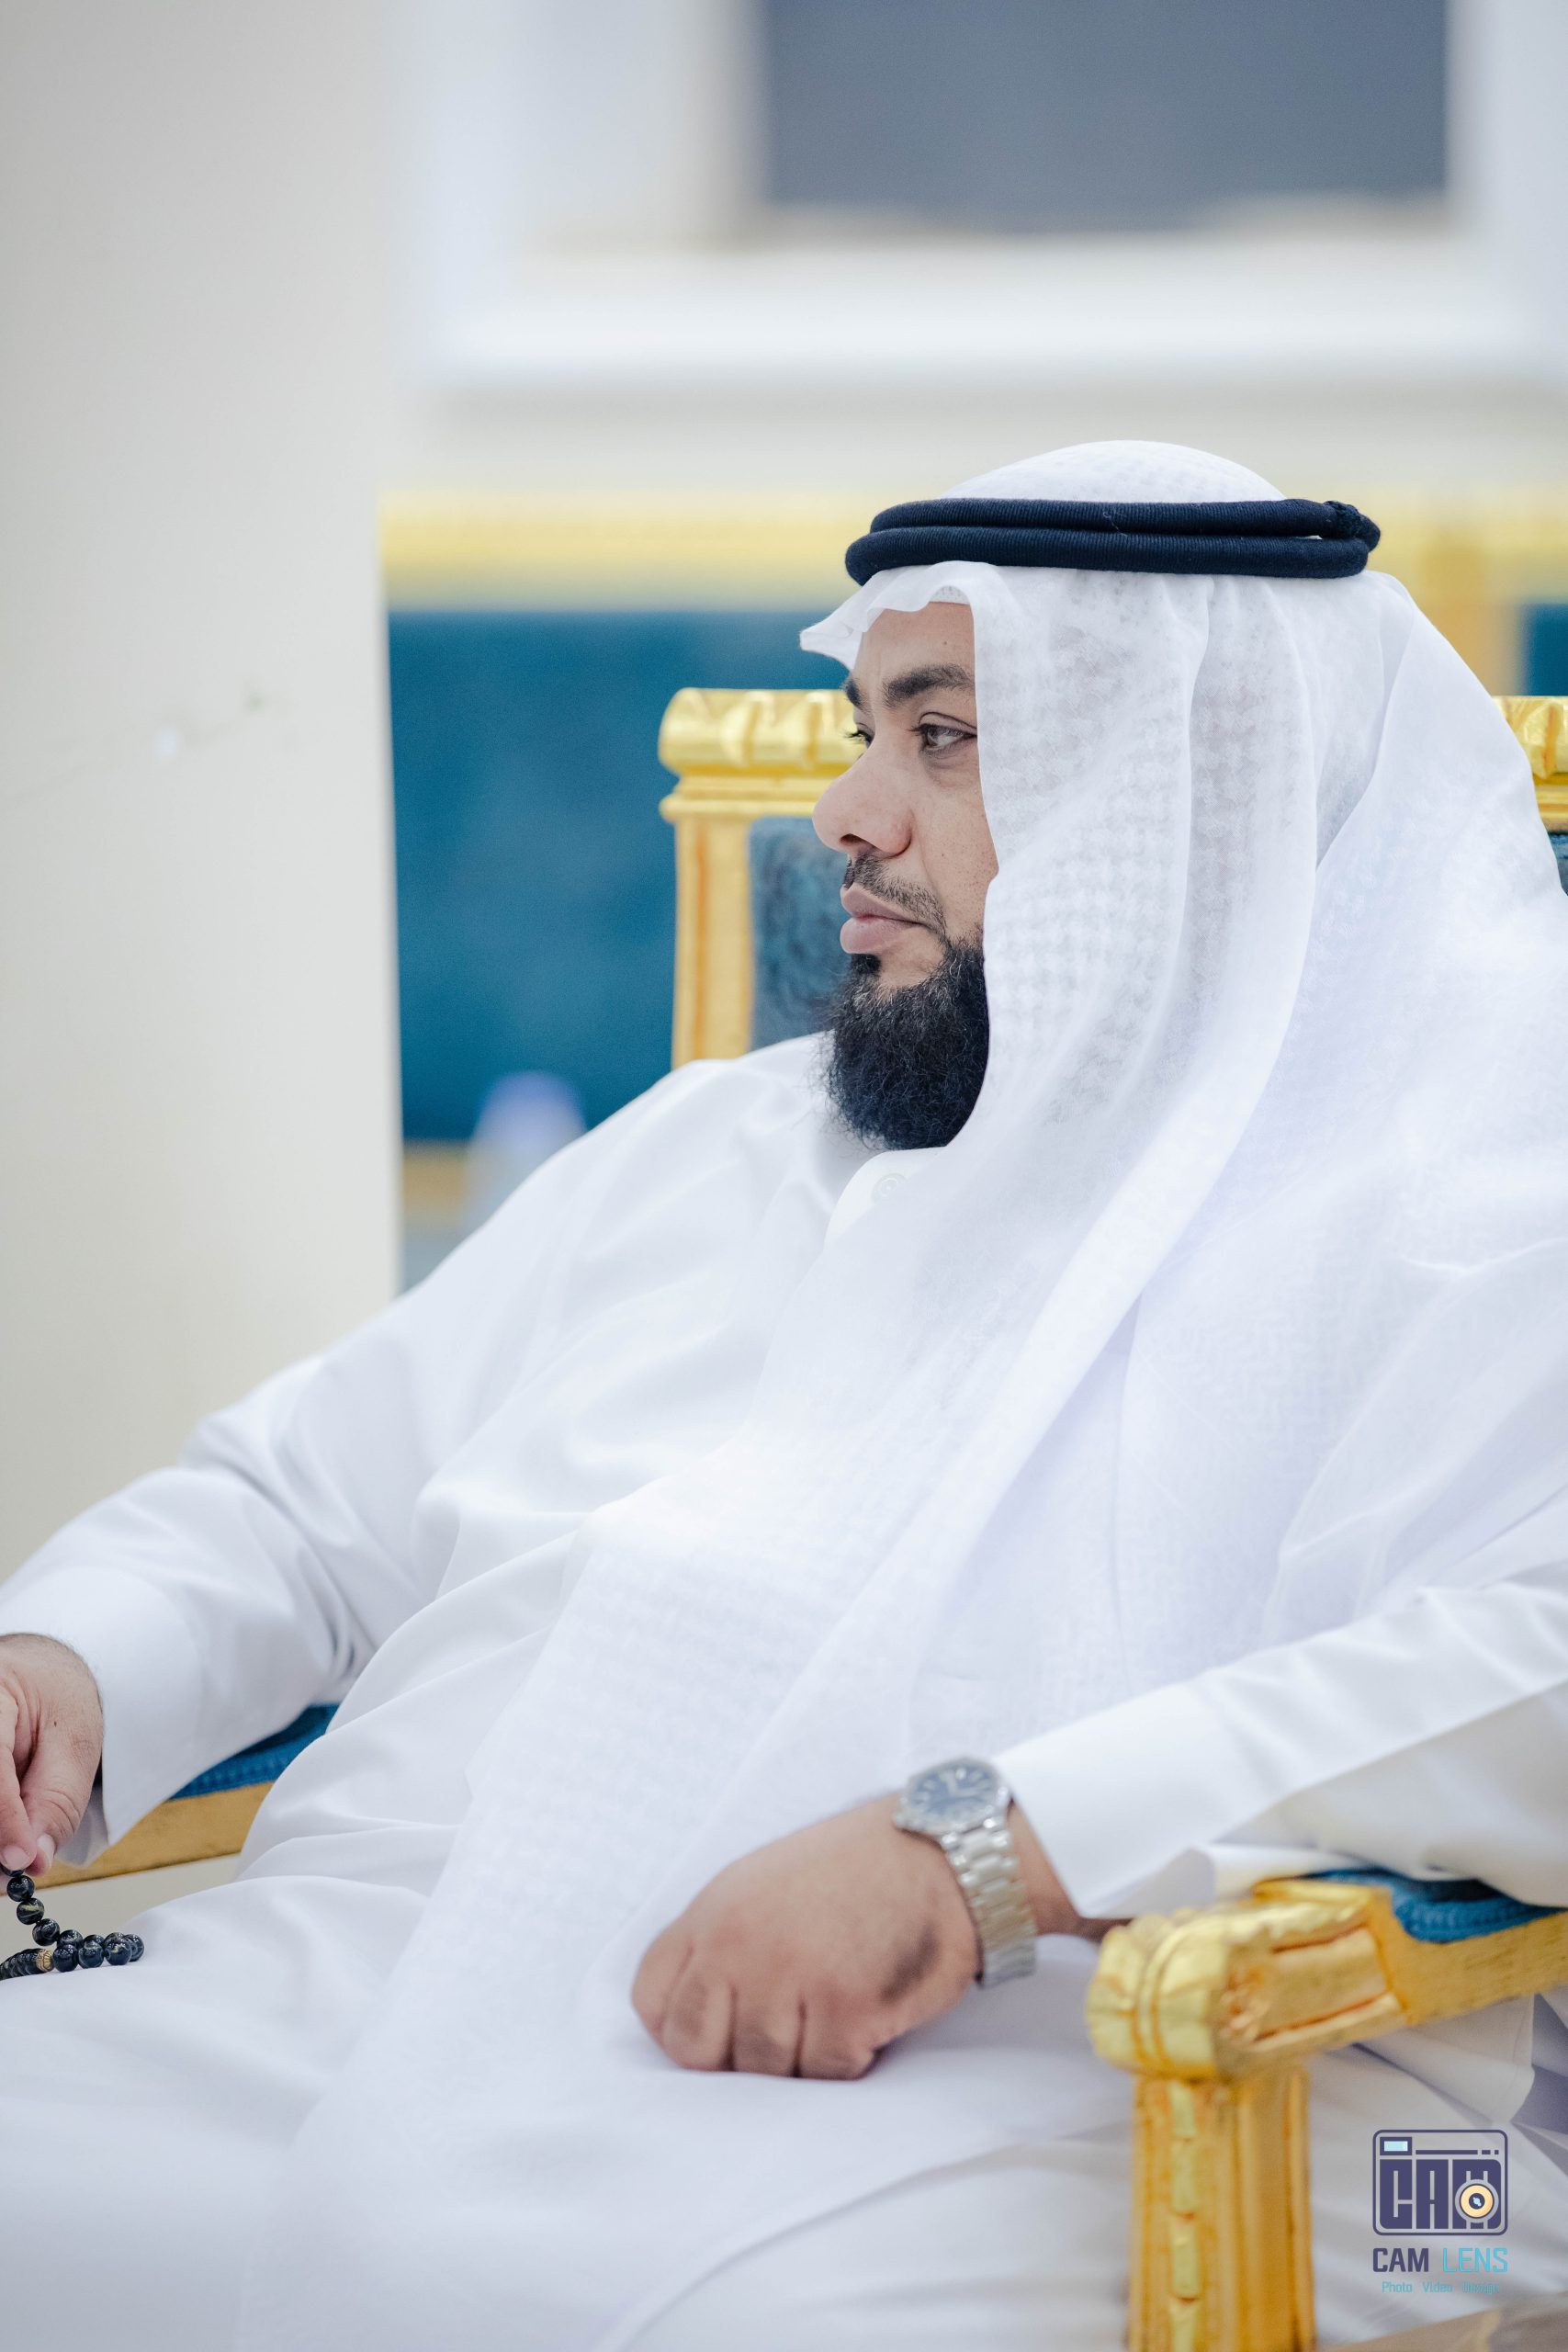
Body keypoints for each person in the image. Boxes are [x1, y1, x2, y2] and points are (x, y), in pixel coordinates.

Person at [2, 440, 1568, 2352]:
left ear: (1188, 791)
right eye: (859, 732)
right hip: (363, 1970)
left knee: (504, 2292)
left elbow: (1533, 1662)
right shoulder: (722, 1146)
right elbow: (297, 1507)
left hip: (1133, 2078)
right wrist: (69, 1659)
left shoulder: (1475, 1208)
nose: (843, 812)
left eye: (941, 738)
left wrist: (977, 1850)